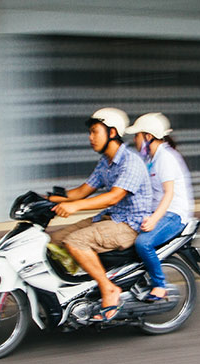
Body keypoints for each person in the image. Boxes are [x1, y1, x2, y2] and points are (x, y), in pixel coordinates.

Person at [47, 107, 153, 322]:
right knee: (53, 240)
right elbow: (82, 191)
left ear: (112, 133)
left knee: (75, 242)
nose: (90, 137)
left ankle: (108, 289)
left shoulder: (130, 162)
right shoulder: (105, 162)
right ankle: (81, 287)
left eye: (95, 132)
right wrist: (47, 199)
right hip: (109, 218)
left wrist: (76, 207)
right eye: (91, 132)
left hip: (129, 226)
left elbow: (114, 197)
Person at [127, 113, 194, 302]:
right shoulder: (152, 159)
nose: (134, 140)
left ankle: (159, 285)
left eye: (137, 135)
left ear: (148, 136)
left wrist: (154, 219)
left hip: (174, 215)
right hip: (160, 211)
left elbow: (169, 193)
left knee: (143, 243)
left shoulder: (165, 157)